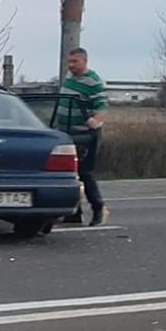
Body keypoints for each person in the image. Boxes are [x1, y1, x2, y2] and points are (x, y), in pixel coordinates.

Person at [60, 48, 110, 226]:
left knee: (84, 173)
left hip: (85, 135)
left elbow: (102, 105)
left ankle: (98, 209)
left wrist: (96, 120)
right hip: (67, 132)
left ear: (84, 61)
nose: (71, 65)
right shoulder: (70, 77)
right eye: (70, 61)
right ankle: (74, 211)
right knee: (69, 173)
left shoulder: (93, 82)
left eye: (75, 62)